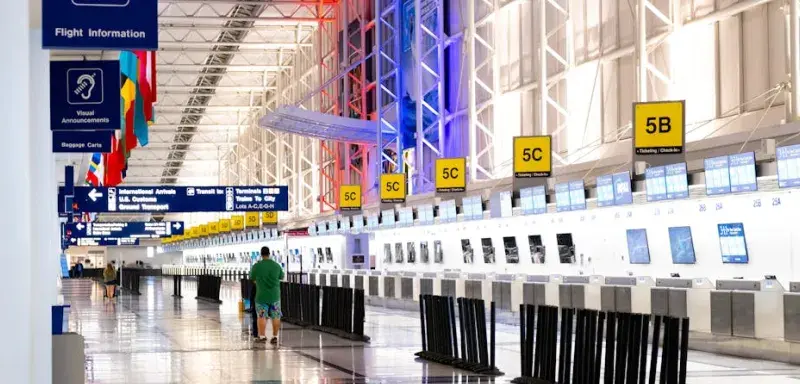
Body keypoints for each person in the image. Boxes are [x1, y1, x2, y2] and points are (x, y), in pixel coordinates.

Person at [249, 246, 284, 344]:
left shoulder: (257, 266)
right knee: (276, 316)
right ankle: (275, 336)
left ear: (261, 254)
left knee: (261, 316)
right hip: (275, 296)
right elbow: (281, 276)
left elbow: (252, 277)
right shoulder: (276, 265)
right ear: (269, 254)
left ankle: (262, 336)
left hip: (261, 297)